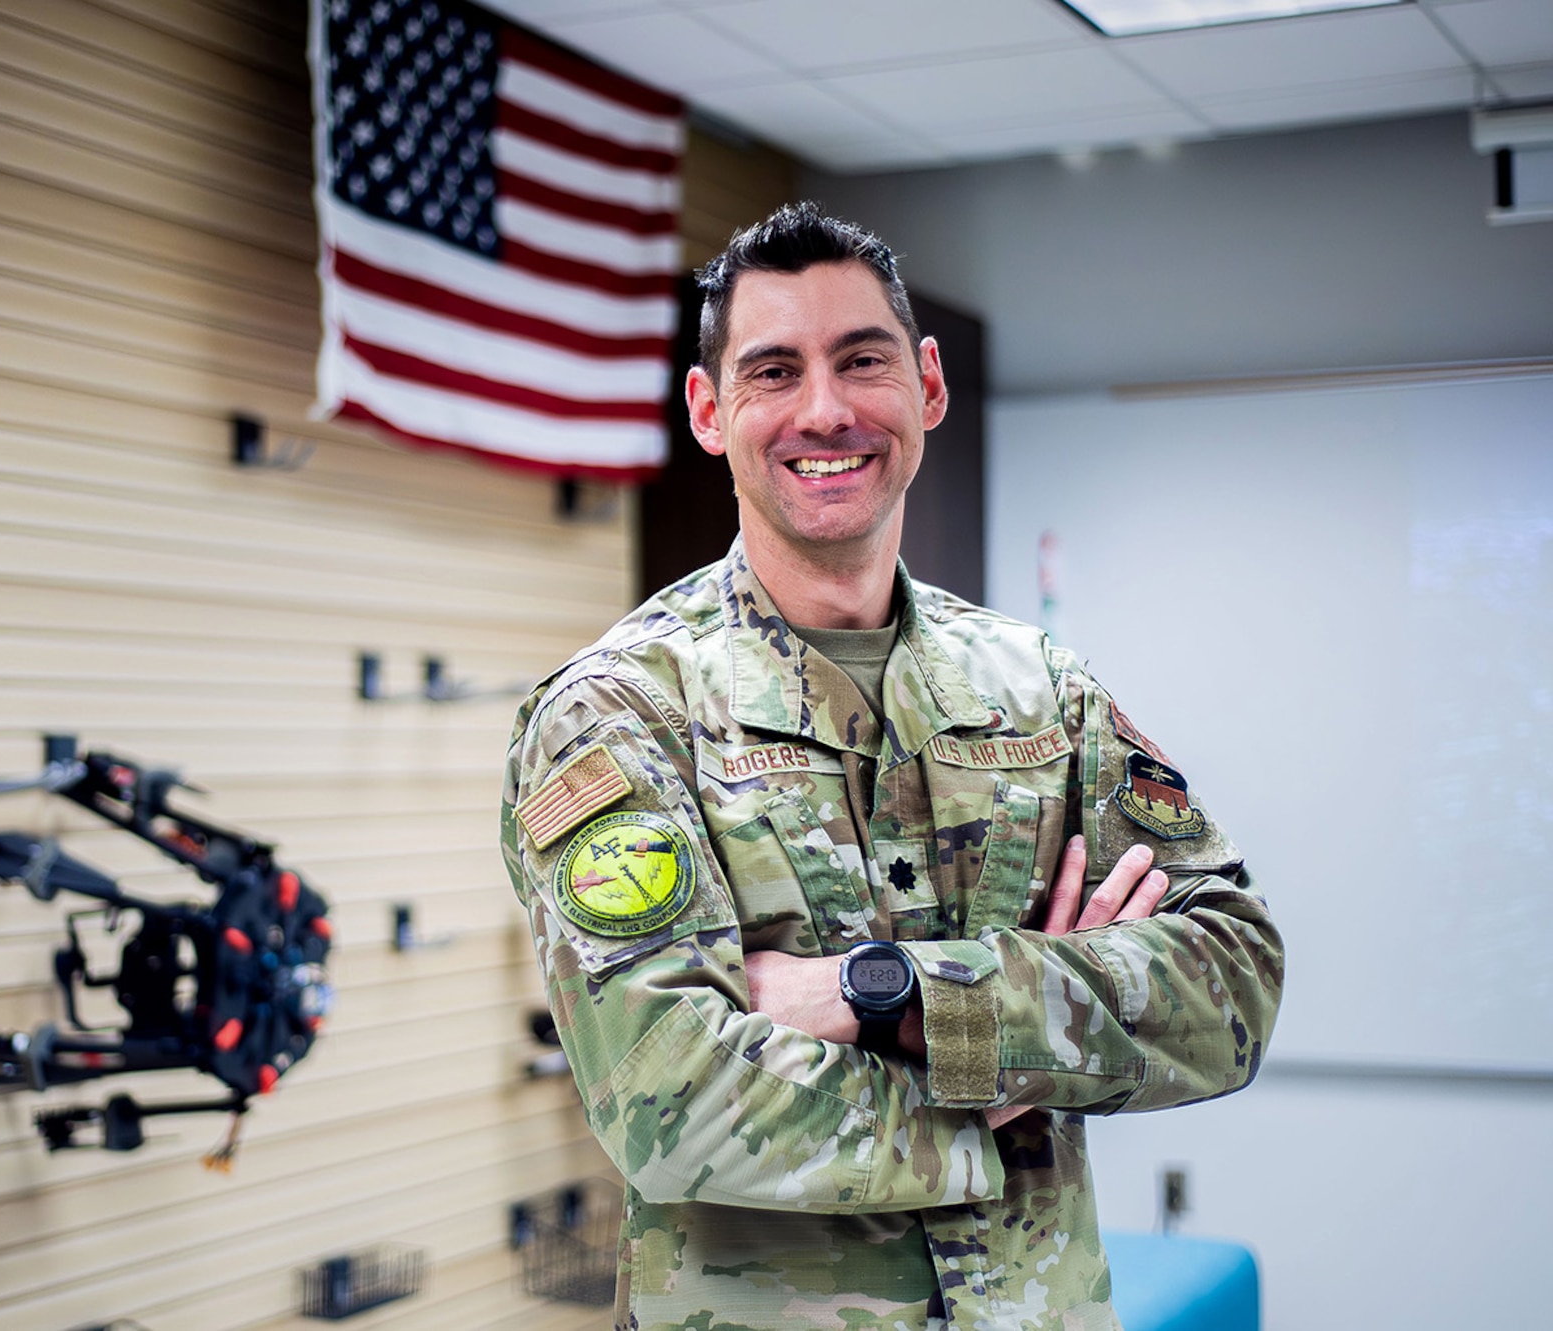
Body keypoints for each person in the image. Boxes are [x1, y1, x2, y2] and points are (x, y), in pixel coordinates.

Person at [499, 202, 1283, 1331]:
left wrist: (892, 994)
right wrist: (1020, 1041)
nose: (824, 409)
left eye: (858, 359)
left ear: (924, 385)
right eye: (773, 370)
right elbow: (668, 1093)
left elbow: (1233, 981)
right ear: (709, 411)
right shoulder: (621, 711)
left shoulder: (1038, 688)